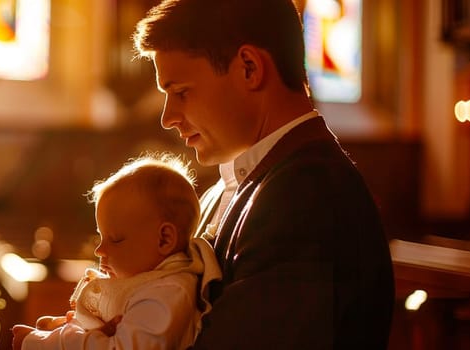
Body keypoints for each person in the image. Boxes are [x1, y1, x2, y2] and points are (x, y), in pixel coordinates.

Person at [132, 0, 395, 349]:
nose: (168, 117)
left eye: (181, 92)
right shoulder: (236, 186)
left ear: (249, 67)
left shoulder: (308, 196)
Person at [11, 154, 221, 349]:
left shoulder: (168, 294)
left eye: (116, 239)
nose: (100, 250)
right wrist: (68, 327)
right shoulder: (146, 281)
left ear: (164, 239)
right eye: (100, 237)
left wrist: (43, 343)